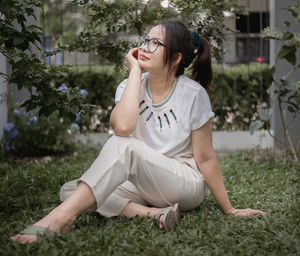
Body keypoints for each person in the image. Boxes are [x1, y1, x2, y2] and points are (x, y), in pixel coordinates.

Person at [10, 20, 267, 244]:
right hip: (141, 182)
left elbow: (206, 158)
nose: (144, 47)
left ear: (176, 58)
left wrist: (229, 209)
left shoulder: (193, 94)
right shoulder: (129, 85)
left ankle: (59, 219)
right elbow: (123, 124)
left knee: (121, 149)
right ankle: (154, 213)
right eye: (145, 40)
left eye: (155, 43)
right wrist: (135, 72)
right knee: (72, 190)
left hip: (182, 182)